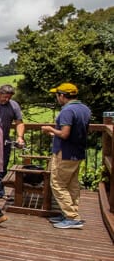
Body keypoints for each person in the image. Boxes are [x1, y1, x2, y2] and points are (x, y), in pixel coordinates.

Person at [41, 83, 92, 229]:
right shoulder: (85, 109)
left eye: (57, 95)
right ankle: (70, 212)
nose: (57, 98)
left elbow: (64, 133)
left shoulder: (67, 111)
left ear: (62, 96)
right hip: (78, 151)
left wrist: (50, 129)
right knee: (72, 184)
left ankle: (71, 217)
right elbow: (80, 131)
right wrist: (54, 134)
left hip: (65, 153)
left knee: (57, 183)